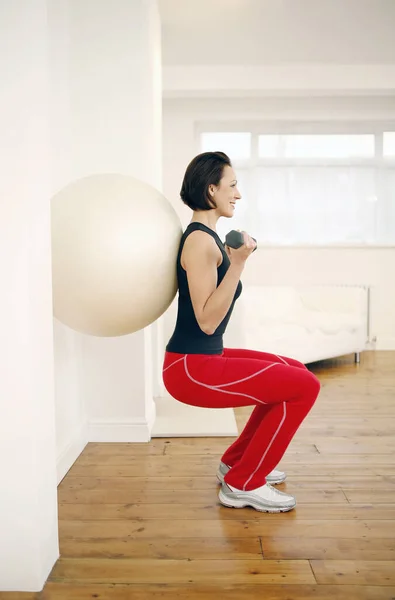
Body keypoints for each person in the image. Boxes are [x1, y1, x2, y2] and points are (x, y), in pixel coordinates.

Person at [162, 151, 320, 513]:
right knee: (305, 387)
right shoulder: (200, 241)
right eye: (232, 186)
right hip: (191, 369)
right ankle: (243, 484)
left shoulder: (209, 237)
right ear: (211, 189)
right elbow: (206, 321)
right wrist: (238, 264)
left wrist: (234, 261)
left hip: (204, 358)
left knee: (294, 371)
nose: (238, 194)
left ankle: (237, 463)